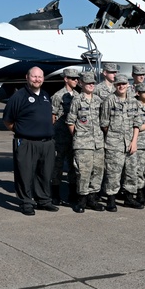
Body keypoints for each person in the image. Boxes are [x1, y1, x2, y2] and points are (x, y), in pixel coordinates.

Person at [2, 66, 57, 216]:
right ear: (27, 77)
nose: (37, 79)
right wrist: (22, 131)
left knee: (45, 174)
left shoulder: (45, 95)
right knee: (24, 174)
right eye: (34, 76)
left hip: (46, 143)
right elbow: (8, 120)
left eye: (40, 77)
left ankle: (44, 200)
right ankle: (26, 202)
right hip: (26, 142)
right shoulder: (18, 96)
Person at [100, 74, 142, 210]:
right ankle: (111, 199)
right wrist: (113, 136)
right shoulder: (109, 100)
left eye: (124, 83)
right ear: (115, 85)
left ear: (128, 85)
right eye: (118, 84)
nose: (121, 86)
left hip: (131, 142)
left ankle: (129, 198)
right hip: (114, 143)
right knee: (113, 173)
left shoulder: (134, 102)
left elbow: (137, 123)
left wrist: (134, 141)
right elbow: (104, 123)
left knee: (131, 172)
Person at [67, 71, 106, 213]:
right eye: (87, 83)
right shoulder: (77, 100)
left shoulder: (98, 100)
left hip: (98, 143)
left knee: (98, 171)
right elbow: (70, 122)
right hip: (83, 144)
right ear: (81, 84)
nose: (90, 85)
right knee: (83, 172)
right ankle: (81, 200)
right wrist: (78, 137)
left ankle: (92, 199)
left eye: (92, 83)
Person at [51, 67, 80, 205]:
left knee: (73, 166)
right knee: (57, 166)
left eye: (77, 78)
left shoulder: (77, 95)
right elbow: (53, 116)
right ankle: (55, 193)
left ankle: (72, 193)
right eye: (73, 78)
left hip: (72, 136)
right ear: (66, 79)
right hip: (60, 136)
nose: (76, 81)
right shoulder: (58, 96)